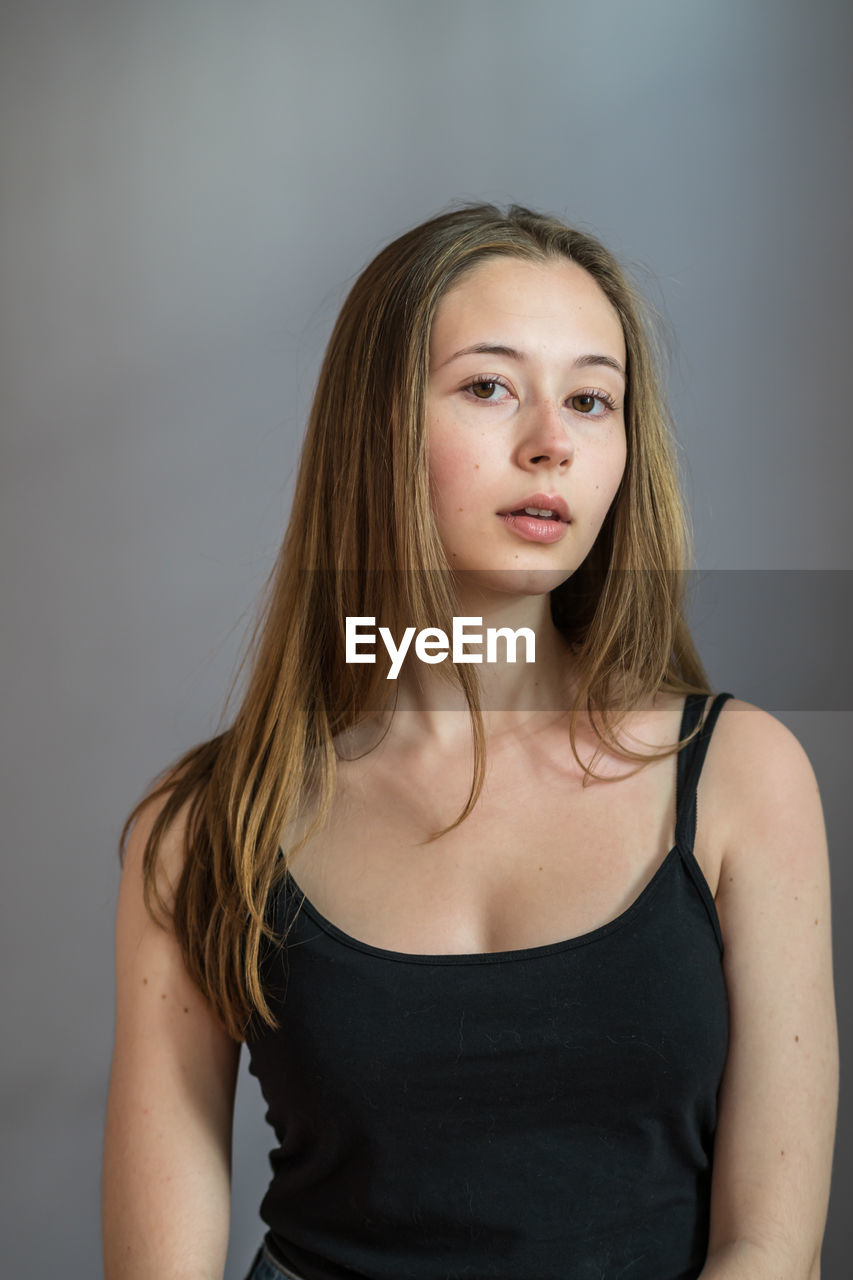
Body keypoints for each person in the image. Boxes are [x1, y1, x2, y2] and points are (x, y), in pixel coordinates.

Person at [102, 204, 839, 1280]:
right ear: (378, 428)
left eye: (591, 398)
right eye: (489, 385)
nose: (551, 439)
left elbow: (769, 1246)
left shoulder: (740, 775)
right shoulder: (204, 825)